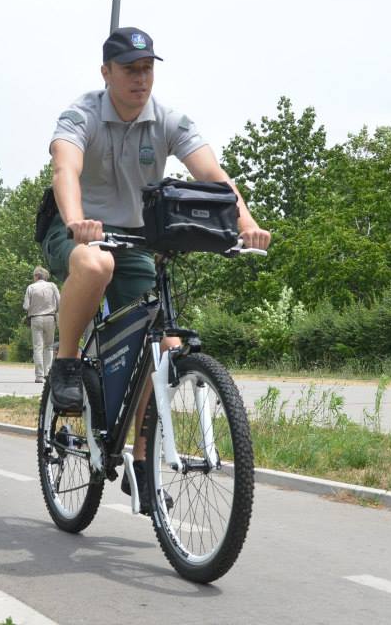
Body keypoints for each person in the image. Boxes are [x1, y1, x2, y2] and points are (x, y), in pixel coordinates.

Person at [44, 27, 271, 510]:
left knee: (164, 347)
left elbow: (215, 176)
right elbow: (65, 168)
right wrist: (75, 220)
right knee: (94, 262)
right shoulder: (82, 113)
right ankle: (66, 363)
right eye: (129, 69)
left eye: (147, 68)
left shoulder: (169, 119)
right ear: (106, 73)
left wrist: (246, 223)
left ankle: (142, 462)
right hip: (76, 228)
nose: (140, 78)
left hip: (137, 237)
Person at [23, 266, 60, 383]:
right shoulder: (52, 286)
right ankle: (47, 373)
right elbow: (60, 302)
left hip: (36, 319)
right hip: (50, 318)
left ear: (36, 276)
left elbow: (26, 306)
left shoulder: (31, 287)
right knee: (49, 346)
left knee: (37, 347)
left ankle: (39, 376)